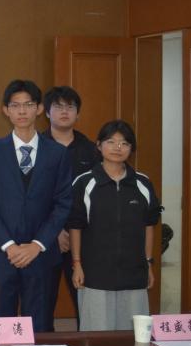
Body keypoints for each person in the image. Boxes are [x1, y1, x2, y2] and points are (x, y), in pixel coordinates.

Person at [0, 79, 72, 333]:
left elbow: (63, 204)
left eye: (28, 105)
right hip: (2, 252)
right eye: (15, 105)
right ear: (5, 110)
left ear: (39, 108)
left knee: (40, 324)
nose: (22, 111)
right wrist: (9, 245)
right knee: (3, 323)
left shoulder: (58, 153)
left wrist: (36, 245)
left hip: (41, 253)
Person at [68, 120, 160, 331]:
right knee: (96, 336)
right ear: (99, 145)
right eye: (111, 141)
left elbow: (149, 226)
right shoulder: (84, 183)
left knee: (134, 335)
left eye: (124, 143)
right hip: (95, 274)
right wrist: (77, 264)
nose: (118, 147)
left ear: (131, 149)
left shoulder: (142, 183)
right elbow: (75, 226)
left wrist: (148, 264)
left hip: (134, 274)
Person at [42, 85, 101, 326]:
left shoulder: (92, 150)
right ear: (47, 112)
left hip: (83, 238)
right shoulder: (36, 147)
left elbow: (97, 197)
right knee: (42, 303)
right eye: (58, 107)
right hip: (44, 237)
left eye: (70, 107)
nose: (65, 111)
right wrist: (55, 230)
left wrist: (73, 230)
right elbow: (31, 197)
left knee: (84, 301)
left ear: (78, 113)